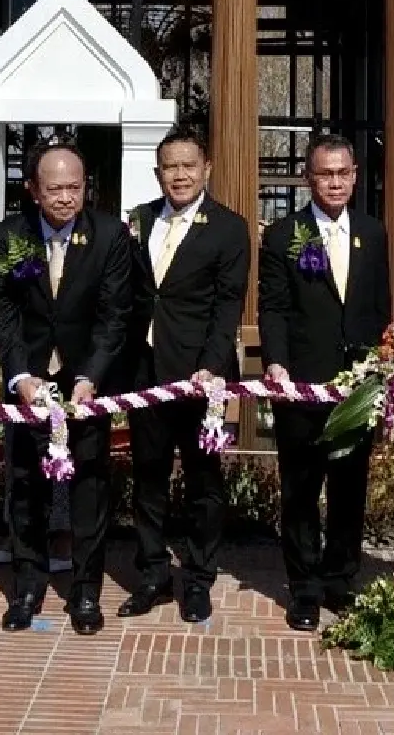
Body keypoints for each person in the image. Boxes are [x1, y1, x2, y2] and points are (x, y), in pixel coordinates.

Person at [0, 135, 132, 635]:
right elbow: (4, 314)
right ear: (33, 189)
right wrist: (20, 377)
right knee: (27, 485)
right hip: (29, 383)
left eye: (75, 187)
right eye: (55, 189)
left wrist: (90, 376)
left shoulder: (110, 236)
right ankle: (27, 585)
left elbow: (115, 316)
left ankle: (86, 592)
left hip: (84, 383)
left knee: (89, 486)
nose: (66, 197)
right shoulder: (12, 235)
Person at [257, 133, 391, 632]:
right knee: (300, 490)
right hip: (302, 387)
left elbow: (379, 306)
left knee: (350, 487)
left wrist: (383, 366)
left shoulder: (374, 234)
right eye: (324, 174)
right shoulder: (283, 235)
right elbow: (272, 307)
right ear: (308, 178)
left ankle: (340, 581)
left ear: (355, 176)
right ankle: (305, 590)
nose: (334, 182)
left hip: (356, 387)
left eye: (342, 173)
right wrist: (276, 364)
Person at [119, 126, 249, 624]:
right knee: (148, 477)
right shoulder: (139, 219)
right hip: (146, 371)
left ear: (206, 168)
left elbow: (227, 305)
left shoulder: (229, 228)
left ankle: (198, 578)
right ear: (158, 173)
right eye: (170, 167)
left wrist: (210, 366)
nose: (179, 175)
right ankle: (152, 573)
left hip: (201, 377)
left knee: (202, 481)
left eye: (188, 165)